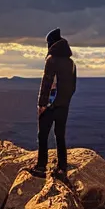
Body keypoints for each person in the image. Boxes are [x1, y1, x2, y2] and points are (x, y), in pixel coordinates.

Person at [31, 28, 77, 177]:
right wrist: (65, 101)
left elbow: (47, 83)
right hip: (64, 105)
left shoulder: (51, 60)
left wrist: (42, 104)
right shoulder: (71, 63)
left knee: (43, 135)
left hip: (50, 105)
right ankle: (62, 167)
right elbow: (73, 86)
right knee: (60, 135)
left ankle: (41, 167)